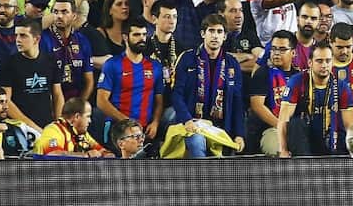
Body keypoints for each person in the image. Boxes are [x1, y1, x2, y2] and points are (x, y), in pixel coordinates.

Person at [171, 14, 246, 157]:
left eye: (219, 32)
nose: (215, 36)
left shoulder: (232, 64)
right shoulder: (187, 58)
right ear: (202, 34)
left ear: (225, 36)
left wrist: (239, 134)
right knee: (198, 143)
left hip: (221, 127)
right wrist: (186, 120)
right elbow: (177, 94)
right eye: (211, 31)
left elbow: (237, 101)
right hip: (193, 123)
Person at [278, 44, 353, 157]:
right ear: (310, 63)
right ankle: (304, 164)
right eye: (319, 61)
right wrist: (283, 150)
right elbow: (283, 120)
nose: (324, 65)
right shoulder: (297, 82)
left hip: (331, 137)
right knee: (295, 123)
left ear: (332, 62)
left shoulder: (342, 87)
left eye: (328, 61)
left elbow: (349, 125)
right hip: (304, 139)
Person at [94, 19, 164, 143]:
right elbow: (101, 101)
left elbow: (159, 100)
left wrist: (156, 122)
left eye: (144, 34)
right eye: (136, 35)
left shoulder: (155, 66)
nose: (142, 38)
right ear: (125, 37)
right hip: (118, 128)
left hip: (146, 129)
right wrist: (126, 122)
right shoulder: (112, 65)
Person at [0, 19, 62, 131]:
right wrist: (33, 128)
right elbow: (6, 101)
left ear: (36, 39)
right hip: (20, 128)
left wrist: (58, 124)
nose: (18, 40)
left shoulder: (50, 60)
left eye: (23, 36)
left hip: (47, 125)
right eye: (16, 35)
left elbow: (57, 94)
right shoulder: (9, 63)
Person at [33, 97, 113, 158]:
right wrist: (85, 155)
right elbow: (53, 155)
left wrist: (108, 155)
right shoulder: (53, 130)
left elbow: (100, 149)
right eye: (88, 116)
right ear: (77, 116)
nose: (90, 121)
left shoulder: (82, 134)